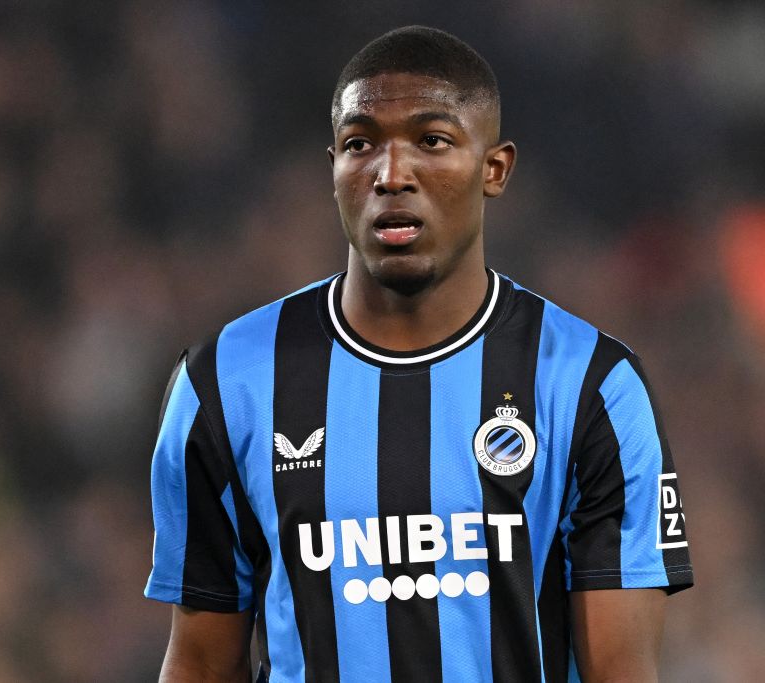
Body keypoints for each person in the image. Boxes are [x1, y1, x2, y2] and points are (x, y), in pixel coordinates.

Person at [143, 25, 692, 682]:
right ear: (334, 169)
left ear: (495, 169)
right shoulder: (224, 381)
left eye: (431, 141)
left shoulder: (590, 385)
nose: (391, 174)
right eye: (360, 145)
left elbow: (622, 672)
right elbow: (200, 662)